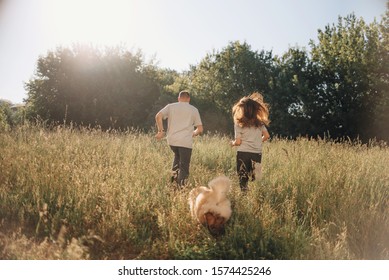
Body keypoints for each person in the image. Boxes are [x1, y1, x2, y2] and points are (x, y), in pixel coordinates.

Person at [155, 90, 203, 188]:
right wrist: (194, 133)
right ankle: (180, 190)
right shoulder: (193, 109)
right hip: (185, 142)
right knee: (184, 168)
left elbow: (158, 116)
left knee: (176, 162)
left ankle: (172, 186)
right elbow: (200, 129)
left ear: (179, 98)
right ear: (189, 99)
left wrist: (161, 131)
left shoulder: (171, 106)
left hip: (172, 141)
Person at [231, 92, 270, 191]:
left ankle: (245, 197)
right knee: (256, 179)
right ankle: (256, 198)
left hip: (243, 153)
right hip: (257, 153)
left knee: (243, 179)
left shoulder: (239, 123)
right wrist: (258, 142)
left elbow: (238, 142)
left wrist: (232, 143)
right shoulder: (259, 123)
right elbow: (267, 136)